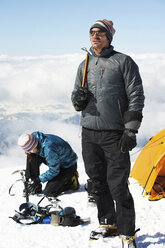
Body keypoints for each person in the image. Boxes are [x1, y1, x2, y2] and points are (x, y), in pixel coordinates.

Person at [71, 19, 144, 248]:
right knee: (97, 182)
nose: (95, 36)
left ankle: (127, 234)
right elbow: (75, 97)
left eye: (100, 33)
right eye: (92, 33)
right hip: (89, 132)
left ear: (109, 37)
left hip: (114, 133)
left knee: (118, 185)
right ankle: (108, 224)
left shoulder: (123, 62)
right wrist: (77, 99)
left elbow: (136, 97)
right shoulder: (83, 65)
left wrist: (130, 130)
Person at [18, 131, 79, 197]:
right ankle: (33, 185)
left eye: (30, 150)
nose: (29, 152)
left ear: (34, 146)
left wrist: (38, 179)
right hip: (57, 159)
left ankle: (71, 181)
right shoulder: (34, 139)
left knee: (49, 192)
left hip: (67, 166)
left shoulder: (49, 148)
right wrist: (32, 178)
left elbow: (54, 170)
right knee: (31, 157)